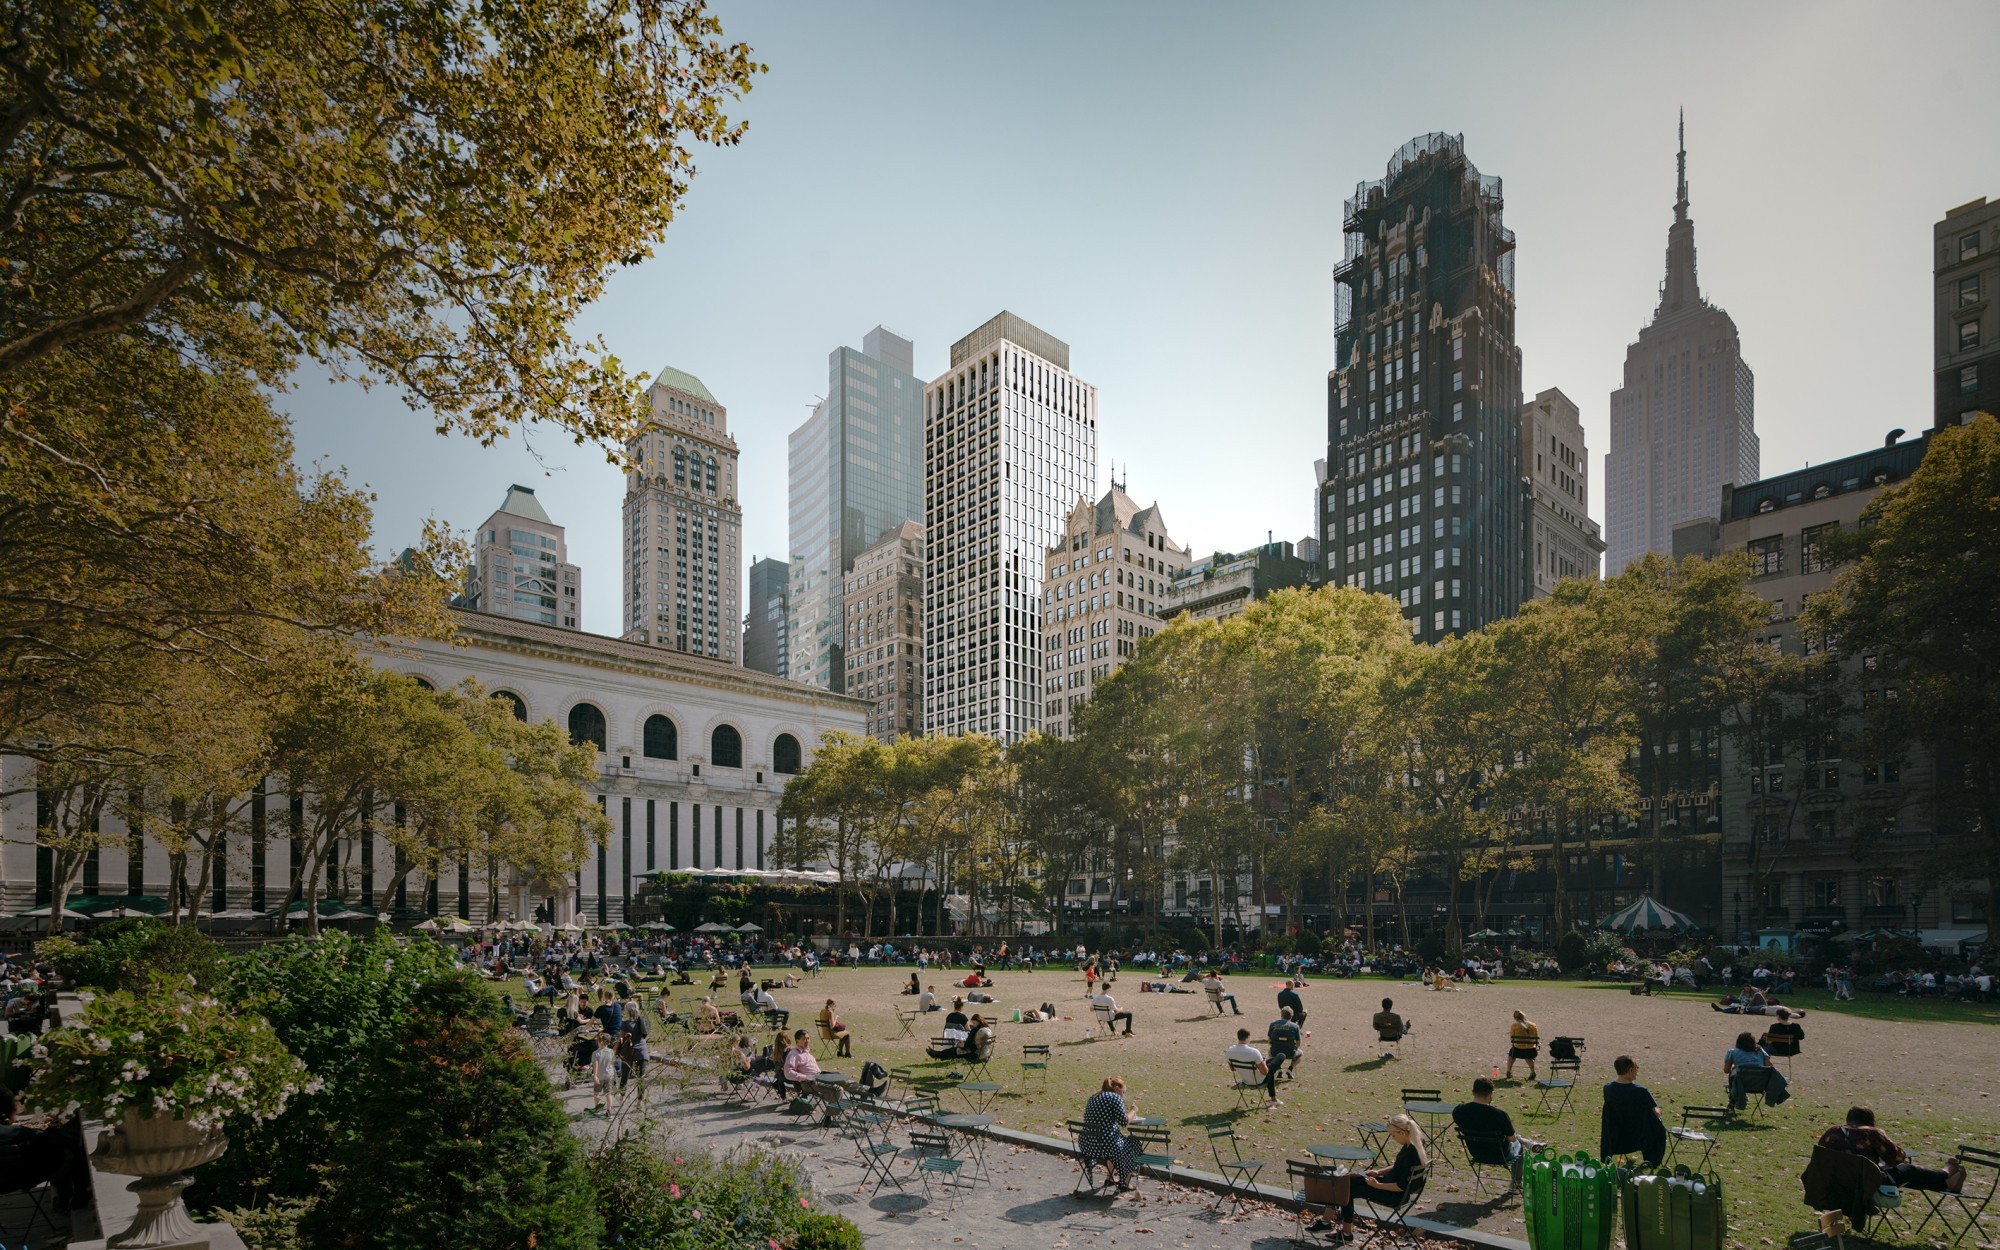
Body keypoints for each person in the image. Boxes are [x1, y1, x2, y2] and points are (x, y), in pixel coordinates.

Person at [1817, 1107, 1967, 1193]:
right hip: (1867, 1184)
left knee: (1905, 1178)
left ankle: (1947, 1185)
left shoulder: (1832, 1132)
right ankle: (1945, 1174)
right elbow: (1897, 1159)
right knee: (1908, 1170)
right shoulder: (1872, 1133)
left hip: (1835, 1182)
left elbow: (1820, 1155)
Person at [1326, 1113, 1427, 1238]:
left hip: (1394, 1195)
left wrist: (1378, 1185)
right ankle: (1326, 1221)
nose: (1392, 1138)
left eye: (1393, 1135)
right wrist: (1378, 1172)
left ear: (1402, 1132)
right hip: (1391, 1185)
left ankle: (1346, 1233)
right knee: (1348, 1179)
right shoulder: (1415, 1143)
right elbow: (1398, 1167)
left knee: (1348, 1190)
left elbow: (1401, 1186)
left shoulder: (1410, 1153)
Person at [1454, 1077, 1541, 1187]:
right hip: (1499, 1154)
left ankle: (1528, 1142)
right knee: (1518, 1144)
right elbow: (1512, 1140)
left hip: (1476, 1153)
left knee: (1507, 1135)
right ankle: (1516, 1183)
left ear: (1473, 1092)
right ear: (1490, 1094)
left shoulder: (1459, 1111)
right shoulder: (1500, 1115)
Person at [1599, 1055, 1666, 1165]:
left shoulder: (1608, 1089)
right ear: (1630, 1070)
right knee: (1658, 1126)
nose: (1637, 1070)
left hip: (1615, 1136)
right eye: (1636, 1068)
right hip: (1638, 1137)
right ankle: (1652, 1161)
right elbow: (1654, 1113)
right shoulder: (1641, 1091)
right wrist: (1658, 1111)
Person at [1079, 1076, 1141, 1191]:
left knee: (1116, 1141)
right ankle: (1125, 1183)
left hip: (1088, 1145)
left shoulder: (1093, 1096)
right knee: (1133, 1143)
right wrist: (1133, 1110)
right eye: (1123, 1092)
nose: (1124, 1095)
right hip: (1105, 1146)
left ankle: (1110, 1177)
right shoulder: (1114, 1097)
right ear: (1117, 1088)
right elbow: (1124, 1122)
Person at [1226, 1028, 1282, 1107]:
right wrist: (1264, 1062)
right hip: (1259, 1080)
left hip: (1245, 1080)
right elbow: (1265, 1072)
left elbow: (1233, 1069)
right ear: (1248, 1037)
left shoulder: (1229, 1051)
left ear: (1238, 1037)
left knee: (1269, 1063)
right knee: (1280, 1056)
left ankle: (1274, 1099)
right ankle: (1273, 1100)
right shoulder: (1254, 1052)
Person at [1723, 1031, 1769, 1110]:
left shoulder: (1732, 1052)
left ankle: (1732, 1102)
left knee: (1734, 1072)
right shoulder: (1760, 1052)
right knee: (1736, 1072)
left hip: (1740, 1084)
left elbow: (1726, 1070)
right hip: (1759, 1085)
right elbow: (1770, 1067)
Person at [1267, 1006, 1304, 1077]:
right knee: (1300, 1053)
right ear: (1291, 1016)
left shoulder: (1273, 1024)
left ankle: (1278, 1069)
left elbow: (1269, 1041)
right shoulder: (1295, 1026)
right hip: (1290, 1052)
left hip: (1275, 1052)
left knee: (1270, 1052)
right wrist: (1294, 1047)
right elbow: (1298, 1043)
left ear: (1281, 1015)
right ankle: (1290, 1069)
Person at [1505, 1009, 1541, 1080]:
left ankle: (1508, 1071)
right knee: (1528, 1057)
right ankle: (1532, 1072)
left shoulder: (1514, 1025)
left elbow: (1512, 1040)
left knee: (1511, 1055)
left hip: (1518, 1050)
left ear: (1515, 1018)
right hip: (1531, 1050)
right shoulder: (1533, 1025)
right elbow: (1536, 1036)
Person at [589, 1031, 618, 1115]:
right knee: (608, 1094)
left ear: (600, 1041)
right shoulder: (611, 1052)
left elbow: (595, 1066)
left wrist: (595, 1076)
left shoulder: (595, 1053)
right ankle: (608, 1111)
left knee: (596, 1092)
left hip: (600, 1076)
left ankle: (597, 1108)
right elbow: (612, 1063)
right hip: (609, 1075)